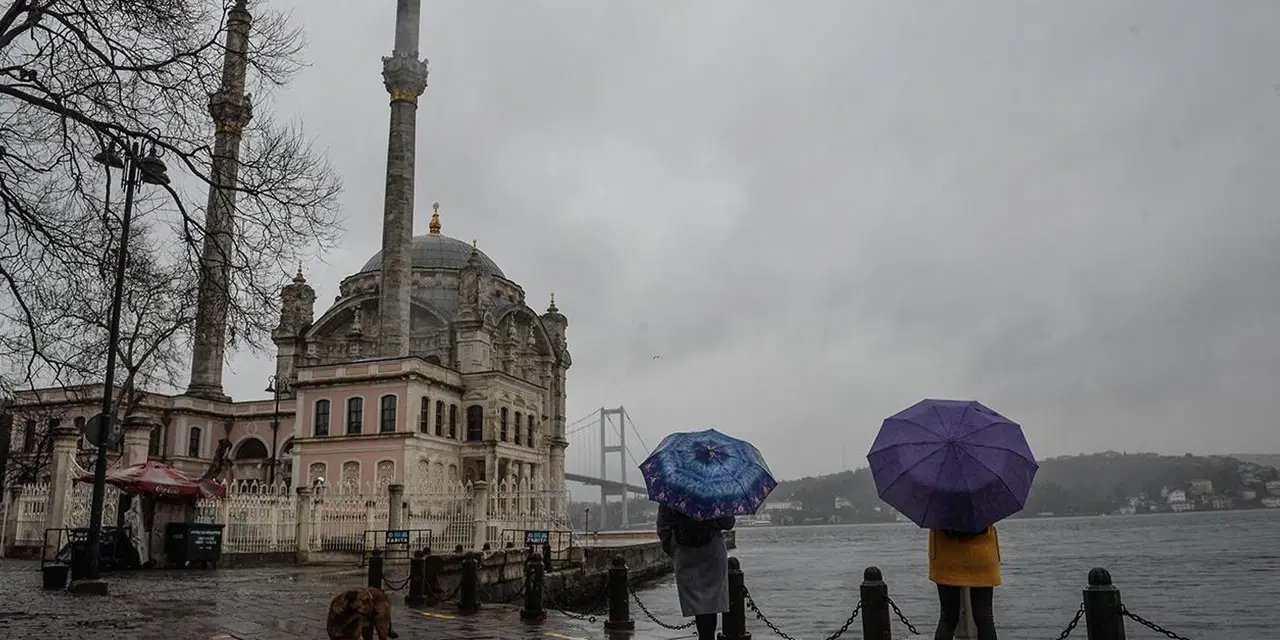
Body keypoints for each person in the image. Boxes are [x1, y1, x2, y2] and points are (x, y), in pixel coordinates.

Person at [656, 505, 736, 640]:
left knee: (696, 601)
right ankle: (708, 635)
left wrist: (673, 548)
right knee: (712, 601)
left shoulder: (672, 497)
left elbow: (663, 526)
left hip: (684, 552)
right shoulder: (715, 495)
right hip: (713, 551)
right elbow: (728, 523)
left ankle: (704, 634)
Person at [929, 526, 1001, 640]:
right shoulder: (981, 513)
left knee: (948, 617)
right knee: (984, 616)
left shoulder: (940, 514)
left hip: (946, 556)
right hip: (981, 555)